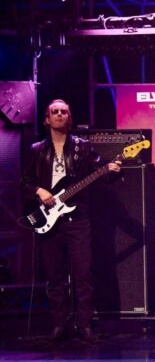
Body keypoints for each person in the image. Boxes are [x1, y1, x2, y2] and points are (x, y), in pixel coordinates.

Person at [20, 99, 121, 342]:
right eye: (54, 112)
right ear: (47, 119)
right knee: (54, 274)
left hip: (78, 218)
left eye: (64, 111)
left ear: (69, 117)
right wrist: (39, 191)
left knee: (83, 272)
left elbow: (99, 174)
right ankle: (59, 324)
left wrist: (112, 171)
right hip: (49, 218)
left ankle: (85, 325)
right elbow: (24, 183)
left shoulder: (81, 147)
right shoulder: (37, 149)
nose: (59, 115)